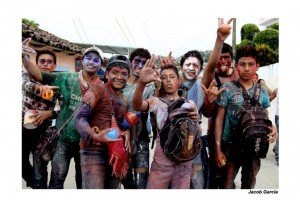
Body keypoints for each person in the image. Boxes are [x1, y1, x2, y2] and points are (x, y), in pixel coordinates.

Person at [22, 39, 104, 189]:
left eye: (96, 60)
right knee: (56, 181)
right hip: (63, 142)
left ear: (101, 64)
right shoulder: (67, 78)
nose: (92, 62)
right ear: (82, 60)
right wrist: (24, 58)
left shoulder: (101, 88)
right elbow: (38, 75)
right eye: (89, 58)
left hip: (86, 145)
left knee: (83, 183)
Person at [214, 44, 277, 189]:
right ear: (236, 66)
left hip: (254, 147)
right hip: (230, 148)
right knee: (226, 184)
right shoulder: (227, 89)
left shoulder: (262, 91)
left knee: (249, 184)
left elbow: (265, 114)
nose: (247, 68)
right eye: (242, 64)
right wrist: (218, 150)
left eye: (251, 64)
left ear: (258, 66)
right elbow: (219, 119)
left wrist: (272, 127)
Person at [133, 56, 200, 189]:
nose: (168, 80)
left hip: (184, 162)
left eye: (172, 77)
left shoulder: (189, 104)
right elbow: (137, 105)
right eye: (163, 77)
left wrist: (195, 121)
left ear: (179, 81)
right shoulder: (156, 102)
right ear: (159, 81)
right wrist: (141, 83)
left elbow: (196, 133)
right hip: (162, 162)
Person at [75, 55, 131, 189]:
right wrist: (94, 136)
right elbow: (79, 117)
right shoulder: (98, 89)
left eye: (124, 74)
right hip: (93, 152)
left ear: (128, 77)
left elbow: (119, 123)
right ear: (107, 74)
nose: (119, 77)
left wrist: (126, 130)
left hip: (114, 153)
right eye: (115, 72)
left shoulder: (123, 99)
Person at [22, 39, 62, 189]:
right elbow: (25, 85)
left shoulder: (60, 84)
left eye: (49, 62)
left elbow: (63, 111)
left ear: (54, 66)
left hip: (42, 133)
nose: (45, 64)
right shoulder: (26, 76)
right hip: (21, 130)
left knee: (40, 170)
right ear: (36, 63)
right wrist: (40, 88)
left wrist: (48, 113)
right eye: (42, 61)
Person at [206, 42, 239, 188]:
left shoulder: (239, 75)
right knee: (215, 175)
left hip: (237, 135)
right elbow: (206, 113)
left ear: (231, 59)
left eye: (226, 57)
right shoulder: (212, 78)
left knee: (230, 177)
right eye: (219, 58)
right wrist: (210, 101)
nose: (223, 61)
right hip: (216, 135)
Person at [121, 48, 154, 189]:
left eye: (144, 63)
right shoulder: (119, 82)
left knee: (142, 181)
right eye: (137, 61)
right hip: (119, 138)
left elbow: (154, 101)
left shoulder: (149, 88)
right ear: (130, 62)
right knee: (125, 178)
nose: (140, 66)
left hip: (141, 139)